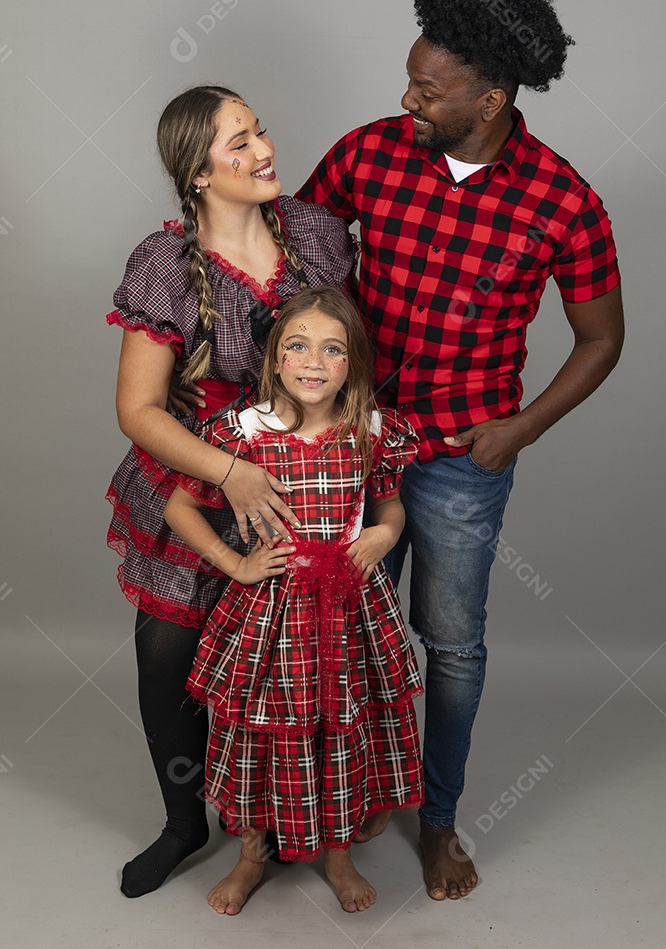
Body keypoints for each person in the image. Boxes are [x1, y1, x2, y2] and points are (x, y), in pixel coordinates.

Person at [296, 0, 625, 901]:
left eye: (428, 88)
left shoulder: (563, 199)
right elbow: (300, 265)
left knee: (452, 642)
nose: (406, 98)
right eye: (407, 77)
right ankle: (348, 803)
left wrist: (521, 428)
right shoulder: (366, 153)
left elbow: (601, 340)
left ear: (490, 99)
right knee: (344, 630)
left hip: (460, 459)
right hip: (352, 445)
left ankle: (437, 821)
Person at [106, 86, 356, 897]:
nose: (263, 151)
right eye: (238, 144)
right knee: (166, 651)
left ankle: (278, 818)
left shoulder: (315, 235)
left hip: (303, 479)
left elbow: (342, 357)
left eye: (260, 131)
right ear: (199, 173)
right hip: (202, 466)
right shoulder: (163, 263)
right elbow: (137, 411)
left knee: (283, 655)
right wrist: (231, 472)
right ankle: (184, 824)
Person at [164, 286, 423, 915]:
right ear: (275, 358)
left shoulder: (370, 431)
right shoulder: (243, 433)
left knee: (341, 726)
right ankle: (252, 856)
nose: (314, 361)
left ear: (352, 365)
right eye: (298, 346)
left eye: (333, 350)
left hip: (347, 612)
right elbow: (179, 506)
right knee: (259, 733)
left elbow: (388, 504)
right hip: (271, 613)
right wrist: (235, 564)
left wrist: (385, 533)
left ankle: (338, 855)